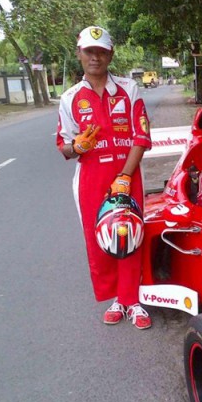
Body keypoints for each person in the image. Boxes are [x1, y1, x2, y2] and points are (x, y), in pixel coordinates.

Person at [56, 26, 152, 329]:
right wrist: (77, 146)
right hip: (92, 177)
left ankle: (133, 300)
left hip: (126, 174)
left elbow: (141, 136)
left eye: (101, 51)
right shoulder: (70, 98)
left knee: (130, 234)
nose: (95, 57)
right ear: (79, 54)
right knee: (100, 237)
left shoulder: (128, 88)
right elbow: (64, 145)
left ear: (110, 54)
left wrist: (125, 175)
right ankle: (116, 299)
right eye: (89, 51)